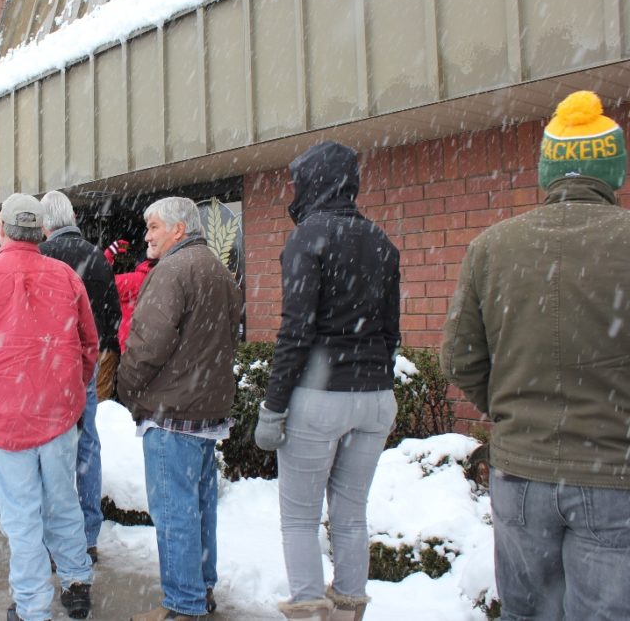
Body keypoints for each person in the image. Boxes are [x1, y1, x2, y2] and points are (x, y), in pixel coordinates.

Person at [441, 90, 630, 621]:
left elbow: (459, 360)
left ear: (549, 171)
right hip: (615, 475)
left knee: (528, 614)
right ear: (611, 169)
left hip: (521, 474)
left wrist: (511, 407)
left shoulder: (492, 247)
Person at [253, 141, 400, 621]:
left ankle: (310, 612)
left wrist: (273, 407)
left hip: (319, 398)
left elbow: (296, 331)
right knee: (351, 515)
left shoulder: (307, 238)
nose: (291, 193)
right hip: (376, 396)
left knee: (299, 518)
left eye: (297, 182)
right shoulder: (382, 241)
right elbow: (391, 333)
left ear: (315, 182)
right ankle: (348, 612)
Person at [0, 193, 98, 621]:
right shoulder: (67, 277)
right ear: (40, 231)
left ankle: (32, 605)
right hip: (57, 413)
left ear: (1, 231)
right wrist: (71, 390)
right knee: (62, 501)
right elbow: (90, 345)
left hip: (5, 417)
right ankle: (76, 582)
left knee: (21, 516)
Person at [117, 196, 243, 621]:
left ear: (178, 229)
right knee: (199, 508)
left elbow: (147, 344)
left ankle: (183, 605)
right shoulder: (218, 271)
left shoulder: (172, 270)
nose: (147, 236)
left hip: (173, 413)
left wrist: (127, 388)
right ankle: (200, 589)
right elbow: (227, 338)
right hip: (205, 412)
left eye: (153, 227)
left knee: (175, 513)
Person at [38, 190, 121, 563]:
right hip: (86, 363)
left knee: (49, 449)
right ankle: (88, 533)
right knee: (87, 444)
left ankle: (55, 533)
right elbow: (113, 314)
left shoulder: (40, 258)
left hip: (47, 366)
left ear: (44, 225)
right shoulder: (96, 258)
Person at [103, 238, 158, 352]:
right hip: (150, 342)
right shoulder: (161, 276)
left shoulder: (136, 280)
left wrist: (109, 253)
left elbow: (103, 282)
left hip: (129, 344)